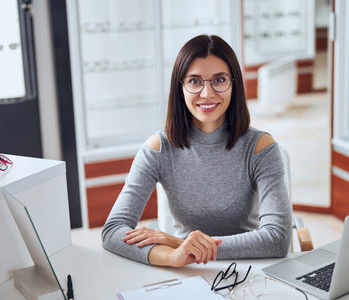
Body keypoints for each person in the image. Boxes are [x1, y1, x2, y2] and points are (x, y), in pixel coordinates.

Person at [102, 34, 292, 267]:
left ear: (234, 84)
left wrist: (176, 243)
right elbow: (112, 231)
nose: (207, 93)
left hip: (248, 267)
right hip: (184, 269)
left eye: (219, 80)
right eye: (194, 81)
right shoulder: (158, 148)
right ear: (180, 86)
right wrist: (173, 255)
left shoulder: (260, 147)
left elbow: (278, 238)